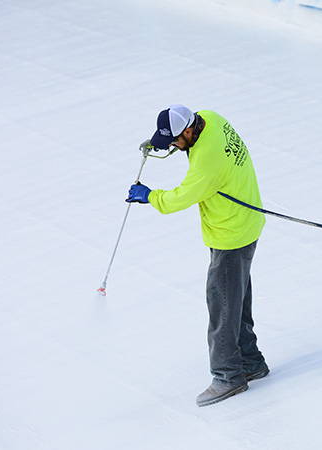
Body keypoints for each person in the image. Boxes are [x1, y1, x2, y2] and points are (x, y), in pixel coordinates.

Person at [126, 105, 269, 407]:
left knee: (222, 305)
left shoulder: (207, 161)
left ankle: (228, 376)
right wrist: (160, 143)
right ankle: (250, 361)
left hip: (231, 233)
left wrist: (150, 196)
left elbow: (180, 198)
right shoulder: (211, 118)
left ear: (189, 131)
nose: (175, 147)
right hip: (244, 221)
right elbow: (185, 148)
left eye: (176, 141)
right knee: (237, 298)